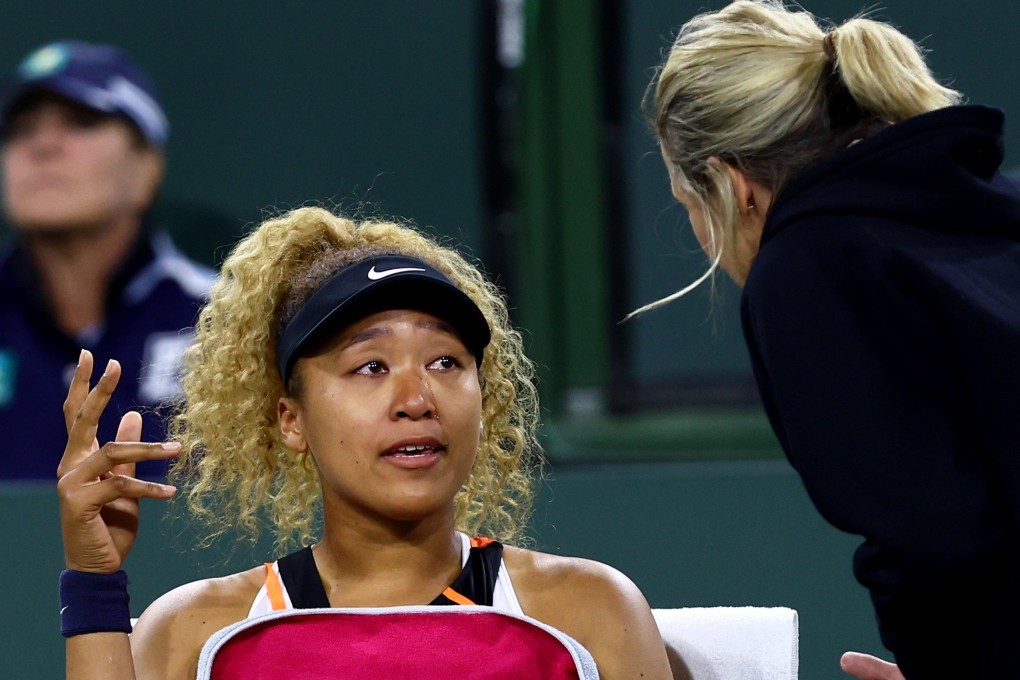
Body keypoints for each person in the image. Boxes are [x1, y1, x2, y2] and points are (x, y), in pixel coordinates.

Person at [56, 206, 673, 679]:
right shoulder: (195, 633)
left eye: (446, 361)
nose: (417, 397)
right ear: (290, 420)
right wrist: (92, 581)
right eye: (371, 367)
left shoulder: (589, 613)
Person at [637, 1, 1020, 678]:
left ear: (732, 186)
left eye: (688, 206)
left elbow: (935, 537)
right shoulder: (995, 212)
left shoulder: (809, 266)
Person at [0, 40, 213, 479]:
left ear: (147, 168)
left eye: (81, 122)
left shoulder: (228, 322)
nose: (42, 146)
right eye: (21, 129)